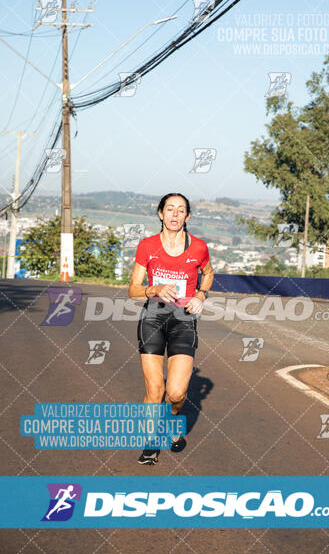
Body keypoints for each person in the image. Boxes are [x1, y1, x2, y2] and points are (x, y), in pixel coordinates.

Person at [129, 193, 214, 465]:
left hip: (184, 319)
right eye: (170, 209)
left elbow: (209, 273)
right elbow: (133, 290)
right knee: (155, 389)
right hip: (153, 316)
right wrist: (153, 289)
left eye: (181, 210)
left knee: (175, 394)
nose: (175, 214)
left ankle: (173, 420)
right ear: (160, 214)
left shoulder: (199, 248)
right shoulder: (147, 246)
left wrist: (201, 295)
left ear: (187, 217)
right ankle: (151, 443)